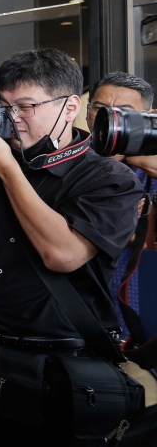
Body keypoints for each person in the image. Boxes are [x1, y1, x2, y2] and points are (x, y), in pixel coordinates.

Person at [0, 49, 141, 444]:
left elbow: (62, 255)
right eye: (4, 106)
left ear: (70, 105)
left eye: (26, 106)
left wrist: (8, 169)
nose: (13, 118)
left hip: (56, 367)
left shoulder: (109, 178)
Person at [85, 71, 157, 338]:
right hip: (85, 327)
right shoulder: (67, 164)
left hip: (144, 332)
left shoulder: (151, 169)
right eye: (101, 109)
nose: (111, 118)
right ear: (87, 113)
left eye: (123, 111)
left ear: (151, 116)